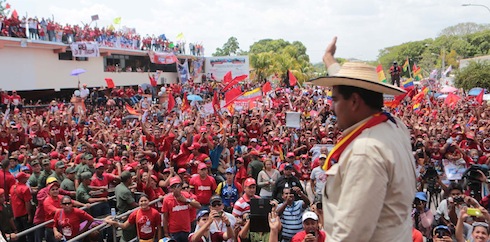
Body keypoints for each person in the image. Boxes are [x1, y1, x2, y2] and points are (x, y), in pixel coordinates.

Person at [312, 37, 416, 241]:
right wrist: (329, 60)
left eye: (335, 99)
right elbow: (349, 87)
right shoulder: (394, 125)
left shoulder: (366, 151)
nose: (331, 107)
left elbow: (349, 236)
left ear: (354, 101)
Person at [162, 177, 201, 242]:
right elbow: (165, 217)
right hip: (174, 231)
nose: (176, 189)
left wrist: (186, 200)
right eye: (174, 187)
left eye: (178, 186)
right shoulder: (167, 199)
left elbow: (198, 206)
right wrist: (166, 233)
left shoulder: (186, 195)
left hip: (186, 229)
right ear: (171, 188)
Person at [115, 171, 138, 242]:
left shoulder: (118, 187)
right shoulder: (125, 191)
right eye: (131, 178)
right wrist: (143, 204)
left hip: (121, 213)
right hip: (127, 214)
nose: (132, 180)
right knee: (128, 236)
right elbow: (133, 204)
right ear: (128, 179)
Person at [10, 172, 32, 242]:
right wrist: (29, 214)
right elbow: (27, 202)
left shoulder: (12, 187)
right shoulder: (25, 188)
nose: (26, 178)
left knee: (20, 235)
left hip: (16, 215)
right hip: (24, 214)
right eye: (25, 177)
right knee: (29, 233)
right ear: (22, 179)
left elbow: (11, 201)